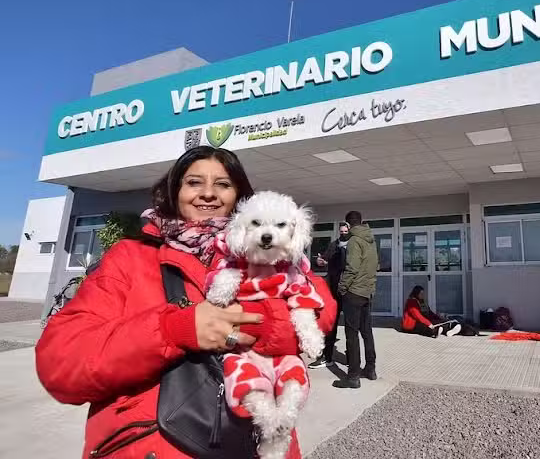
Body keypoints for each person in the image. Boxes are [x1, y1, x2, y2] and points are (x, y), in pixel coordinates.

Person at [34, 146, 337, 459]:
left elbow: (322, 310)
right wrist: (174, 330)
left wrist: (266, 327)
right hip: (151, 444)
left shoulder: (277, 257)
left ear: (239, 198)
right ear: (174, 190)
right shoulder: (130, 257)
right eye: (194, 182)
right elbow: (61, 364)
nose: (208, 193)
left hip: (252, 442)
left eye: (223, 184)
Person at [333, 211, 378, 389]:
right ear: (362, 222)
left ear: (349, 225)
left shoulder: (354, 241)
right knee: (366, 332)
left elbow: (351, 268)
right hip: (367, 292)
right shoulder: (371, 240)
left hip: (353, 293)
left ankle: (353, 376)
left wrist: (342, 288)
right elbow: (376, 265)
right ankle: (370, 369)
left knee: (351, 335)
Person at [308, 221, 350, 369]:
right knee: (330, 324)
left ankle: (352, 357)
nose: (343, 234)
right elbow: (324, 260)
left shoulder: (355, 247)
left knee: (352, 327)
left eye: (346, 232)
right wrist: (321, 261)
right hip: (333, 290)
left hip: (349, 291)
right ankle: (327, 357)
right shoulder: (334, 245)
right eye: (342, 232)